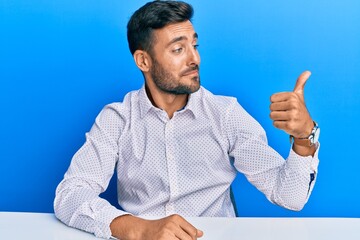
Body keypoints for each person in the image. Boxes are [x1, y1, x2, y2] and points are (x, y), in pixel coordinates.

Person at [54, 1, 320, 239]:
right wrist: (137, 228)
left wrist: (303, 138)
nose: (195, 59)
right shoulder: (118, 119)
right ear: (143, 61)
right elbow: (70, 194)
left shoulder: (225, 114)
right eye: (178, 49)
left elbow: (290, 197)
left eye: (194, 45)